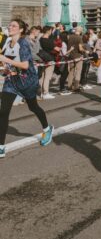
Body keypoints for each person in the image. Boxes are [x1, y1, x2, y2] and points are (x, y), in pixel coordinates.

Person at [0, 19, 54, 158]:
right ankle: (1, 146)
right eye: (9, 25)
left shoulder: (23, 43)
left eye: (14, 26)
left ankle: (47, 129)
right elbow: (8, 60)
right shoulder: (7, 41)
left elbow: (24, 65)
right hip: (11, 81)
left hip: (27, 81)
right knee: (4, 111)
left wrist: (6, 61)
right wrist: (5, 69)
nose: (10, 27)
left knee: (33, 107)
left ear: (21, 30)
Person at [67, 26, 84, 91]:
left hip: (71, 55)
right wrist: (84, 50)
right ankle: (76, 86)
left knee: (71, 71)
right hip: (78, 56)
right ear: (80, 31)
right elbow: (80, 48)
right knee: (78, 71)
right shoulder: (79, 38)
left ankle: (69, 86)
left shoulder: (70, 37)